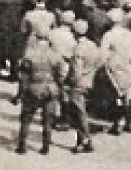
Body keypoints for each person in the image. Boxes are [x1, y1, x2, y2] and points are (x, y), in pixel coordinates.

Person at [15, 20, 66, 155]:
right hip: (50, 87)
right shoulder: (55, 55)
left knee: (26, 117)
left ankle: (22, 145)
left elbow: (23, 75)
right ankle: (45, 146)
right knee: (48, 119)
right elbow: (61, 74)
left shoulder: (29, 54)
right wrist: (59, 87)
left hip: (34, 86)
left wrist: (21, 92)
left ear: (36, 37)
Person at [64, 17, 101, 153]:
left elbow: (76, 70)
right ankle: (83, 140)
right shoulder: (93, 46)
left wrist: (70, 82)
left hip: (78, 83)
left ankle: (85, 140)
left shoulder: (78, 49)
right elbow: (99, 62)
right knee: (81, 111)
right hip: (90, 80)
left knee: (78, 113)